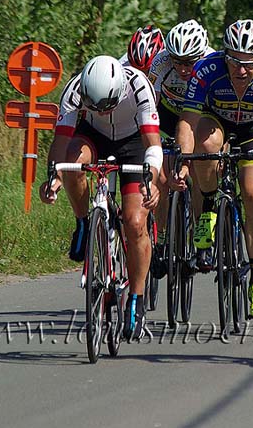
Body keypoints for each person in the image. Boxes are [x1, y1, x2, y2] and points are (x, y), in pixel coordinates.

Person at [170, 19, 253, 319]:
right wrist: (184, 159)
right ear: (225, 55)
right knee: (206, 148)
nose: (240, 70)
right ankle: (208, 206)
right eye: (234, 61)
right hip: (216, 121)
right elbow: (187, 121)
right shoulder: (207, 69)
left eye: (248, 63)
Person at [39, 55, 162, 341]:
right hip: (93, 136)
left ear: (120, 92)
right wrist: (53, 179)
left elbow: (153, 144)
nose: (101, 110)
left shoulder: (139, 86)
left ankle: (137, 298)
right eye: (93, 105)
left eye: (106, 105)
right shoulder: (75, 89)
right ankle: (84, 222)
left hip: (133, 143)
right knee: (72, 162)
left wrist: (152, 181)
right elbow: (60, 142)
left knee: (134, 222)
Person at [146, 19, 215, 279]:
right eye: (179, 62)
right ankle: (162, 239)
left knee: (199, 170)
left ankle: (201, 233)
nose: (184, 69)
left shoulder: (212, 61)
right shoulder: (161, 62)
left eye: (190, 62)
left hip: (202, 116)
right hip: (169, 115)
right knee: (162, 179)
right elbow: (150, 104)